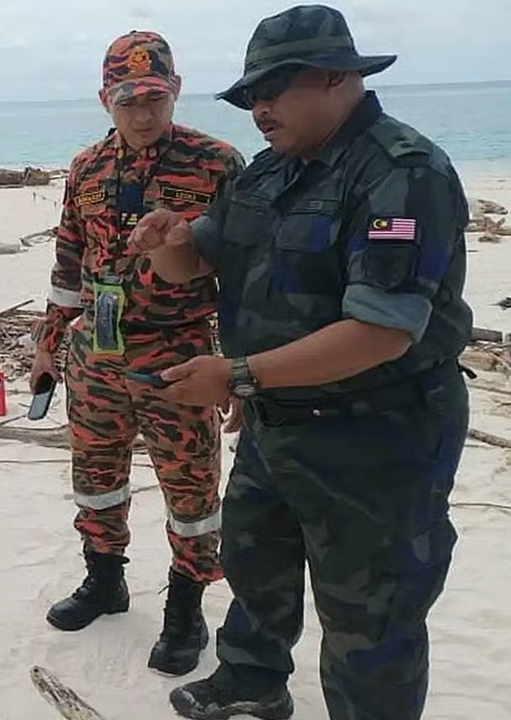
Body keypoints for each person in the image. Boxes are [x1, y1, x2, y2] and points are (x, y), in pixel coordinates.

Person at [128, 5, 473, 719]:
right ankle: (252, 681)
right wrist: (164, 239)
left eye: (276, 87)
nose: (258, 106)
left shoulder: (401, 173)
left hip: (378, 435)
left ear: (339, 76)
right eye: (250, 93)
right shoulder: (269, 173)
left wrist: (236, 375)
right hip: (275, 424)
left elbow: (382, 331)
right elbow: (193, 261)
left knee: (370, 615)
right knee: (257, 565)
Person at [31, 30, 245, 676]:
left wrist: (238, 369)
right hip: (95, 353)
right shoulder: (86, 169)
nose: (143, 113)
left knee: (191, 488)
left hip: (178, 354)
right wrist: (47, 345)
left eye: (155, 97)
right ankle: (106, 579)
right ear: (105, 100)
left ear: (175, 91)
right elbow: (68, 260)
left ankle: (185, 606)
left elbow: (243, 276)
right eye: (128, 99)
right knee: (96, 479)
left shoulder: (218, 164)